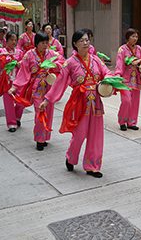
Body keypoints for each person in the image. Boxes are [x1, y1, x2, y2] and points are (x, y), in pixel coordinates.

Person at [39, 29, 114, 178]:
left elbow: (107, 72)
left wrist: (110, 80)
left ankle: (92, 166)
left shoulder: (96, 60)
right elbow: (60, 82)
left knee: (96, 135)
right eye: (82, 40)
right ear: (75, 44)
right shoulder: (70, 63)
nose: (85, 43)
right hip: (79, 102)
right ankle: (71, 157)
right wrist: (47, 99)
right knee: (79, 134)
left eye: (87, 40)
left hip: (96, 102)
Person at [8, 31, 65, 150]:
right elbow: (23, 71)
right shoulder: (29, 54)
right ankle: (39, 139)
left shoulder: (51, 53)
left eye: (46, 43)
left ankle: (45, 137)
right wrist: (15, 86)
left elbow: (62, 62)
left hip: (49, 88)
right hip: (37, 88)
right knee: (40, 113)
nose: (45, 45)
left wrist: (54, 66)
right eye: (42, 43)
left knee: (48, 113)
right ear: (36, 43)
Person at [114, 28, 141, 131]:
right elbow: (119, 64)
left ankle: (131, 122)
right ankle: (122, 121)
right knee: (126, 101)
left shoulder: (139, 49)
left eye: (136, 36)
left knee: (135, 102)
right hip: (125, 80)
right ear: (127, 37)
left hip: (136, 80)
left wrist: (140, 60)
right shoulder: (122, 49)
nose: (135, 38)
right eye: (133, 36)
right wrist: (118, 76)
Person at [0, 31, 25, 132]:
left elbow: (25, 62)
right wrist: (1, 55)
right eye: (11, 40)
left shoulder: (19, 52)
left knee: (21, 100)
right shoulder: (1, 50)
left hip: (18, 80)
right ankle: (11, 123)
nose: (14, 42)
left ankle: (17, 117)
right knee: (8, 102)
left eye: (15, 40)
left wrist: (20, 63)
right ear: (7, 40)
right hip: (6, 80)